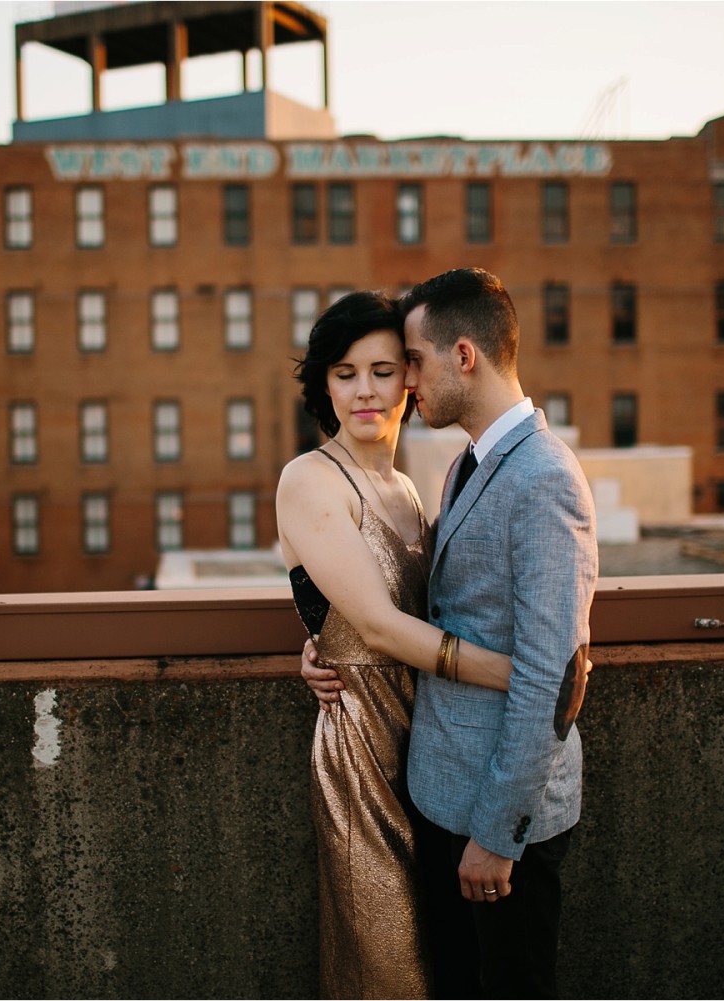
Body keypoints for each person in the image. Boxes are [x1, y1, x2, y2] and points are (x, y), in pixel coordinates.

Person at [302, 268, 598, 998]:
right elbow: (413, 606)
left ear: (463, 355)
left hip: (497, 824)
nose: (404, 380)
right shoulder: (465, 463)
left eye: (411, 361)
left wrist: (499, 834)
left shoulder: (544, 478)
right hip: (438, 793)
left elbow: (550, 672)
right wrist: (325, 639)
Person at [276, 290, 519, 999]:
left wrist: (320, 638)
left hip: (429, 747)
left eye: (383, 370)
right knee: (387, 967)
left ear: (410, 380)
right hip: (361, 754)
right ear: (324, 382)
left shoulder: (407, 490)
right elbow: (378, 625)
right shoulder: (309, 477)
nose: (365, 390)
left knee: (444, 959)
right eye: (345, 372)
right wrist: (513, 674)